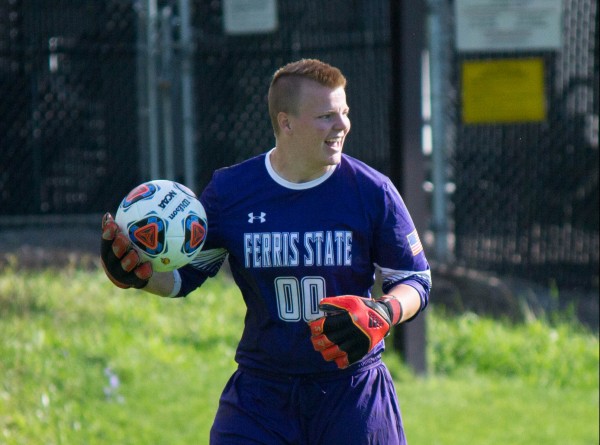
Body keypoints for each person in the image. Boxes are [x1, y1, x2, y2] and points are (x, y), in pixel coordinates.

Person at [101, 58, 431, 444]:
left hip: (352, 391)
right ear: (286, 122)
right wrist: (135, 275)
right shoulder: (231, 191)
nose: (342, 126)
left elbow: (415, 280)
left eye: (344, 112)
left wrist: (384, 311)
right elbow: (181, 278)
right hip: (263, 395)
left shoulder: (373, 190)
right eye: (326, 116)